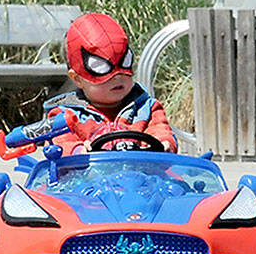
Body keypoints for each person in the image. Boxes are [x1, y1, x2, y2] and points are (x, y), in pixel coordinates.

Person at [45, 12, 178, 154]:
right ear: (78, 79)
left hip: (139, 171)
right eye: (102, 70)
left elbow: (160, 129)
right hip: (88, 173)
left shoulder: (147, 109)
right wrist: (76, 150)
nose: (117, 78)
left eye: (123, 68)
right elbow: (59, 141)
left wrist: (164, 143)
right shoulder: (65, 116)